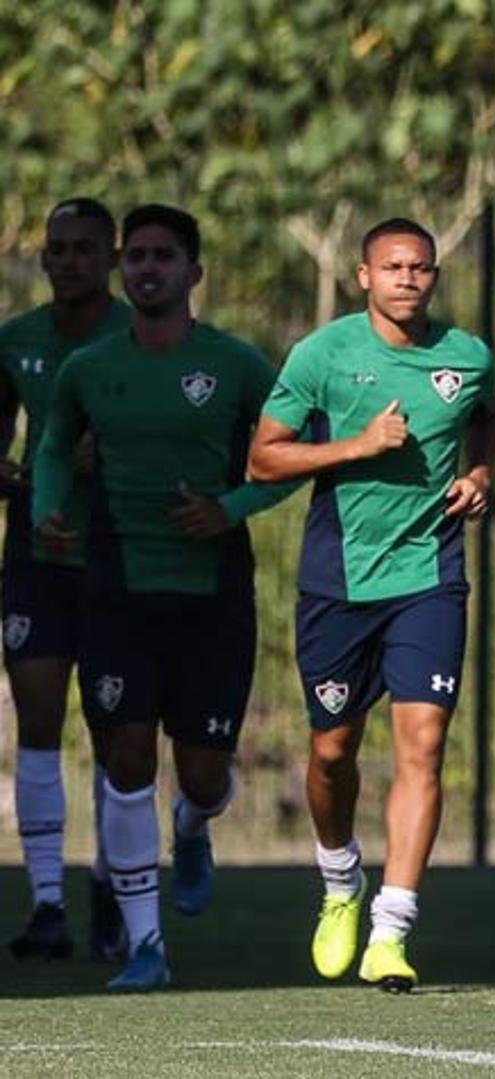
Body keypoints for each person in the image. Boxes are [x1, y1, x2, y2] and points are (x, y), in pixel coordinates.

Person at [32, 203, 294, 990]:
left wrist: (231, 509)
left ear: (194, 273)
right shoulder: (90, 369)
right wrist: (51, 507)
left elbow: (290, 456)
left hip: (212, 591)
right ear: (125, 269)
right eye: (137, 256)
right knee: (126, 753)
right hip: (115, 583)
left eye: (164, 257)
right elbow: (51, 446)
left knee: (204, 772)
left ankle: (194, 823)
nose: (147, 268)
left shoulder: (238, 364)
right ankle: (146, 943)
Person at [248, 218, 495, 993]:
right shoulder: (324, 354)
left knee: (423, 746)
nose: (407, 279)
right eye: (392, 267)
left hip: (429, 578)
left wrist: (482, 470)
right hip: (339, 584)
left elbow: (490, 413)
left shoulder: (467, 355)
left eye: (420, 267)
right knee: (332, 753)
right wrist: (355, 446)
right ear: (364, 276)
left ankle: (391, 928)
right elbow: (263, 459)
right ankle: (339, 881)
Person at [1, 198, 132, 963]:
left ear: (112, 257)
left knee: (119, 732)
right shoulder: (16, 342)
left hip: (123, 554)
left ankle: (114, 885)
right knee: (41, 719)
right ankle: (47, 902)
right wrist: (25, 476)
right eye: (56, 249)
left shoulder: (140, 336)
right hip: (38, 556)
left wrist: (108, 459)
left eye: (85, 248)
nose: (68, 260)